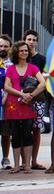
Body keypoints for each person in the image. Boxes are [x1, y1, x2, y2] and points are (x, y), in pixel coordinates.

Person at [3, 41, 47, 174]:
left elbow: (43, 83)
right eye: (21, 50)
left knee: (28, 134)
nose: (24, 52)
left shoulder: (33, 68)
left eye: (26, 50)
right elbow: (7, 86)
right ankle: (16, 165)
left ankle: (27, 165)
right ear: (16, 52)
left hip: (28, 104)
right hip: (13, 105)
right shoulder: (10, 68)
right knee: (15, 135)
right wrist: (22, 94)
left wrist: (31, 95)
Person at [23, 29, 47, 171]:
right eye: (29, 39)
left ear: (37, 42)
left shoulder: (41, 59)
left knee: (36, 129)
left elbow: (45, 79)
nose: (31, 42)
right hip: (21, 98)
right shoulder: (20, 56)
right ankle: (24, 161)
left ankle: (34, 160)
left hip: (38, 98)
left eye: (33, 40)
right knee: (22, 130)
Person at [0, 34, 12, 170]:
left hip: (8, 103)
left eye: (5, 46)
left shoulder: (12, 65)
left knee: (6, 132)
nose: (2, 48)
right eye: (0, 46)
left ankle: (5, 158)